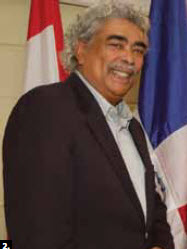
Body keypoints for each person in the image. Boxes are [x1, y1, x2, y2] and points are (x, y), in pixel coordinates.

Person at [2, 2, 174, 249]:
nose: (129, 58)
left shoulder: (133, 126)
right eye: (116, 45)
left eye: (138, 50)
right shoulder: (45, 109)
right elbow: (39, 234)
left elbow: (152, 209)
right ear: (81, 51)